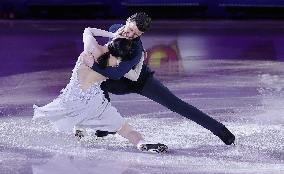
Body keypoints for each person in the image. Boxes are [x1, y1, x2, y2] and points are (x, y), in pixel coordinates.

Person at [91, 12, 236, 145]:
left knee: (176, 104)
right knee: (95, 82)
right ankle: (108, 123)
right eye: (130, 29)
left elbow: (116, 73)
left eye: (136, 34)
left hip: (140, 81)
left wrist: (92, 65)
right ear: (127, 20)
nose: (130, 35)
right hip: (119, 82)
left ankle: (220, 130)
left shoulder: (136, 50)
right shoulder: (113, 28)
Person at [33, 27, 168, 153]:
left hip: (71, 99)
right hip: (94, 104)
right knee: (124, 129)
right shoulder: (116, 65)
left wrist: (113, 34)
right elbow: (134, 77)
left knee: (74, 113)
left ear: (113, 42)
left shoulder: (91, 48)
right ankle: (140, 143)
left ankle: (78, 129)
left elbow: (88, 30)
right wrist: (140, 60)